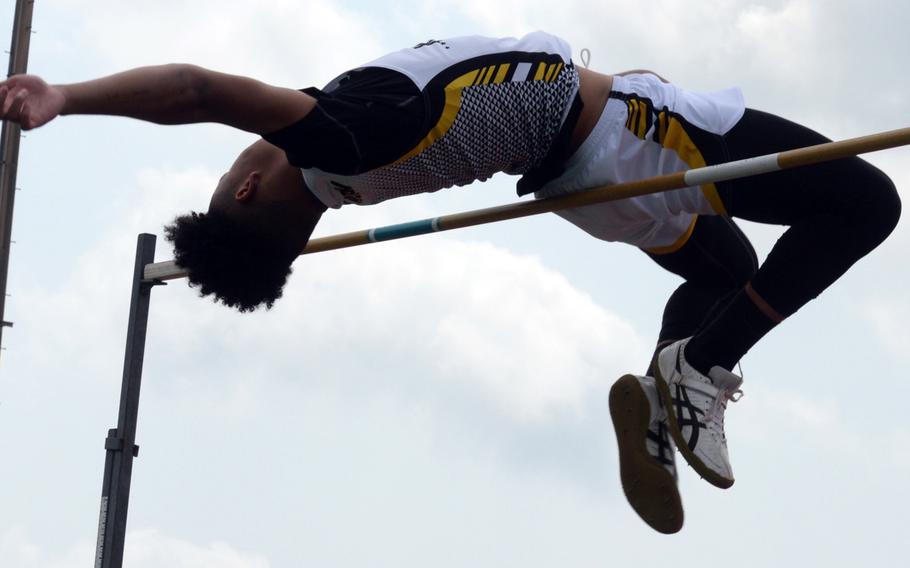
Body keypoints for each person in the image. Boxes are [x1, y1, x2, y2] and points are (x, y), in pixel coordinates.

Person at [0, 31, 900, 534]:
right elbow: (195, 86)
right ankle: (697, 370)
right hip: (630, 131)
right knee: (865, 203)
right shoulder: (337, 137)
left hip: (581, 186)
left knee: (731, 269)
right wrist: (67, 98)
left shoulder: (342, 182)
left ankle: (670, 393)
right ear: (245, 183)